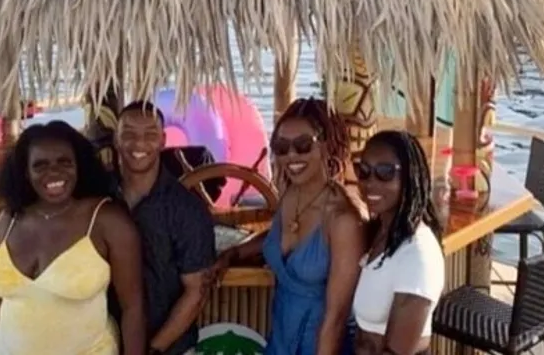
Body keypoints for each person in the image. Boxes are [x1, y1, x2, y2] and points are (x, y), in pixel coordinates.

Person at [0, 120, 147, 355]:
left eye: (64, 162)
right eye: (40, 165)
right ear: (25, 172)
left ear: (79, 166)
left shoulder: (107, 221)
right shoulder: (9, 219)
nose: (54, 172)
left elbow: (133, 308)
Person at [214, 97, 363, 355]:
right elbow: (276, 236)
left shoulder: (344, 219)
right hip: (281, 342)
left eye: (303, 145)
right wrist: (234, 253)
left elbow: (337, 316)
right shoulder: (292, 194)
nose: (291, 155)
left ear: (327, 144)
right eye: (281, 147)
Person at [114, 100, 217, 355]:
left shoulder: (187, 209)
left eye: (150, 134)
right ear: (116, 139)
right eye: (129, 134)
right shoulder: (98, 198)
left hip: (169, 349)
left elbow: (196, 292)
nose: (139, 143)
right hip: (104, 344)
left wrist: (154, 348)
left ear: (162, 141)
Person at [351, 131, 444, 355]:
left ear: (410, 177)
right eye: (363, 171)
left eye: (385, 172)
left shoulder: (417, 255)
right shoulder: (381, 233)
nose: (370, 182)